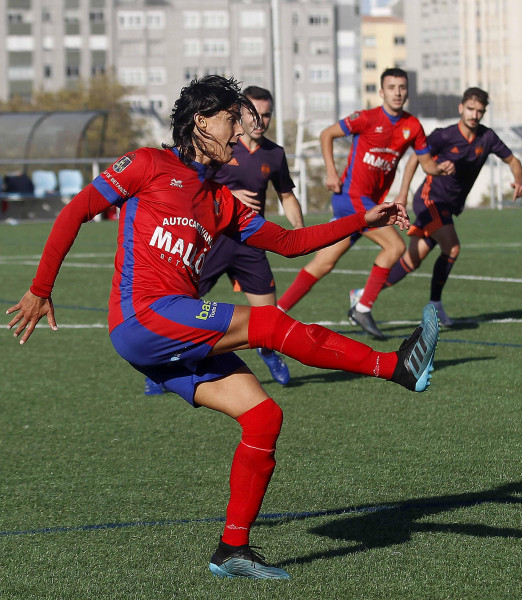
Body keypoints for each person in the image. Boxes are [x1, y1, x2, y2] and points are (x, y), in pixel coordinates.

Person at [6, 75, 441, 580]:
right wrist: (41, 287)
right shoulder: (148, 164)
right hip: (142, 318)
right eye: (233, 119)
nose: (241, 132)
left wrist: (365, 218)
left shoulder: (222, 201)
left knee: (262, 418)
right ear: (202, 121)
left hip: (168, 332)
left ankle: (232, 550)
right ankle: (396, 367)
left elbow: (293, 244)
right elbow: (76, 211)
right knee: (266, 322)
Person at [144, 85, 303, 395]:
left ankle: (268, 352)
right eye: (252, 114)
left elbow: (287, 196)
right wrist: (231, 197)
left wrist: (296, 230)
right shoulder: (221, 145)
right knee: (183, 306)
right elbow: (193, 184)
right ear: (239, 116)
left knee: (267, 317)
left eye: (266, 114)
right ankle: (160, 367)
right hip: (211, 241)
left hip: (251, 243)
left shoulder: (275, 153)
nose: (259, 121)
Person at [276, 68, 455, 339]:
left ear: (407, 92)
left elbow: (426, 163)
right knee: (395, 246)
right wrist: (331, 171)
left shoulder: (413, 126)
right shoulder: (366, 118)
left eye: (402, 87)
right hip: (352, 198)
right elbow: (327, 134)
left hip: (369, 202)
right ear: (381, 92)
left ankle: (275, 313)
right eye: (391, 87)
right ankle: (362, 306)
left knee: (323, 263)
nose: (397, 92)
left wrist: (442, 168)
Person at [382, 87, 522, 326]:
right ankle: (435, 306)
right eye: (470, 109)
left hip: (449, 206)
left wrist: (518, 180)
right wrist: (403, 192)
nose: (474, 115)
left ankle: (364, 296)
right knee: (453, 247)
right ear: (461, 108)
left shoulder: (487, 138)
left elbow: (513, 160)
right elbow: (415, 157)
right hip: (431, 199)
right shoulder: (444, 135)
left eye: (480, 111)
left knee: (412, 261)